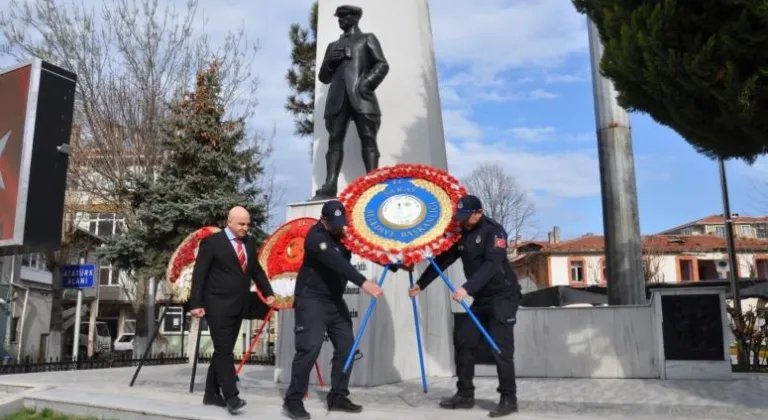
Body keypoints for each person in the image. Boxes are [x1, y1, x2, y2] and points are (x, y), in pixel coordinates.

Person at [409, 195, 522, 418]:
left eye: (466, 217)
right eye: (459, 217)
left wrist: (467, 288)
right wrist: (421, 284)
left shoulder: (495, 232)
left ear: (478, 213)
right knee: (464, 341)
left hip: (503, 295)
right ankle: (465, 395)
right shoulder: (462, 233)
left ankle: (509, 399)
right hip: (481, 298)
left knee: (500, 348)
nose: (461, 221)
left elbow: (492, 264)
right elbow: (442, 261)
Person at [282, 200, 385, 420]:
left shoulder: (344, 235)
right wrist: (364, 282)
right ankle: (293, 400)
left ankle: (338, 396)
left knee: (347, 347)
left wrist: (397, 262)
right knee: (309, 349)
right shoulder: (315, 238)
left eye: (342, 222)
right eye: (335, 223)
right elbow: (338, 263)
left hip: (334, 300)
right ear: (323, 220)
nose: (340, 227)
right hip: (311, 299)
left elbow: (370, 250)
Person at [189, 206, 276, 414]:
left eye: (248, 224)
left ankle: (211, 395)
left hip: (239, 305)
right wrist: (196, 304)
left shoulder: (249, 242)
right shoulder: (212, 243)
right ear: (230, 222)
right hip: (216, 306)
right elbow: (199, 275)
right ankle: (232, 396)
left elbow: (255, 270)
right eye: (241, 224)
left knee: (222, 351)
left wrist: (268, 291)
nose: (246, 228)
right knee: (224, 350)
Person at [313, 4, 389, 199]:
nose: (341, 20)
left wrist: (366, 84)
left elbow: (382, 64)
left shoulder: (366, 39)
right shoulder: (332, 46)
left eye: (345, 17)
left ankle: (372, 180)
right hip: (337, 100)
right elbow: (323, 77)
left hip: (362, 98)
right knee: (334, 141)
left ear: (355, 18)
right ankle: (330, 185)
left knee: (368, 139)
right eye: (339, 17)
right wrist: (331, 62)